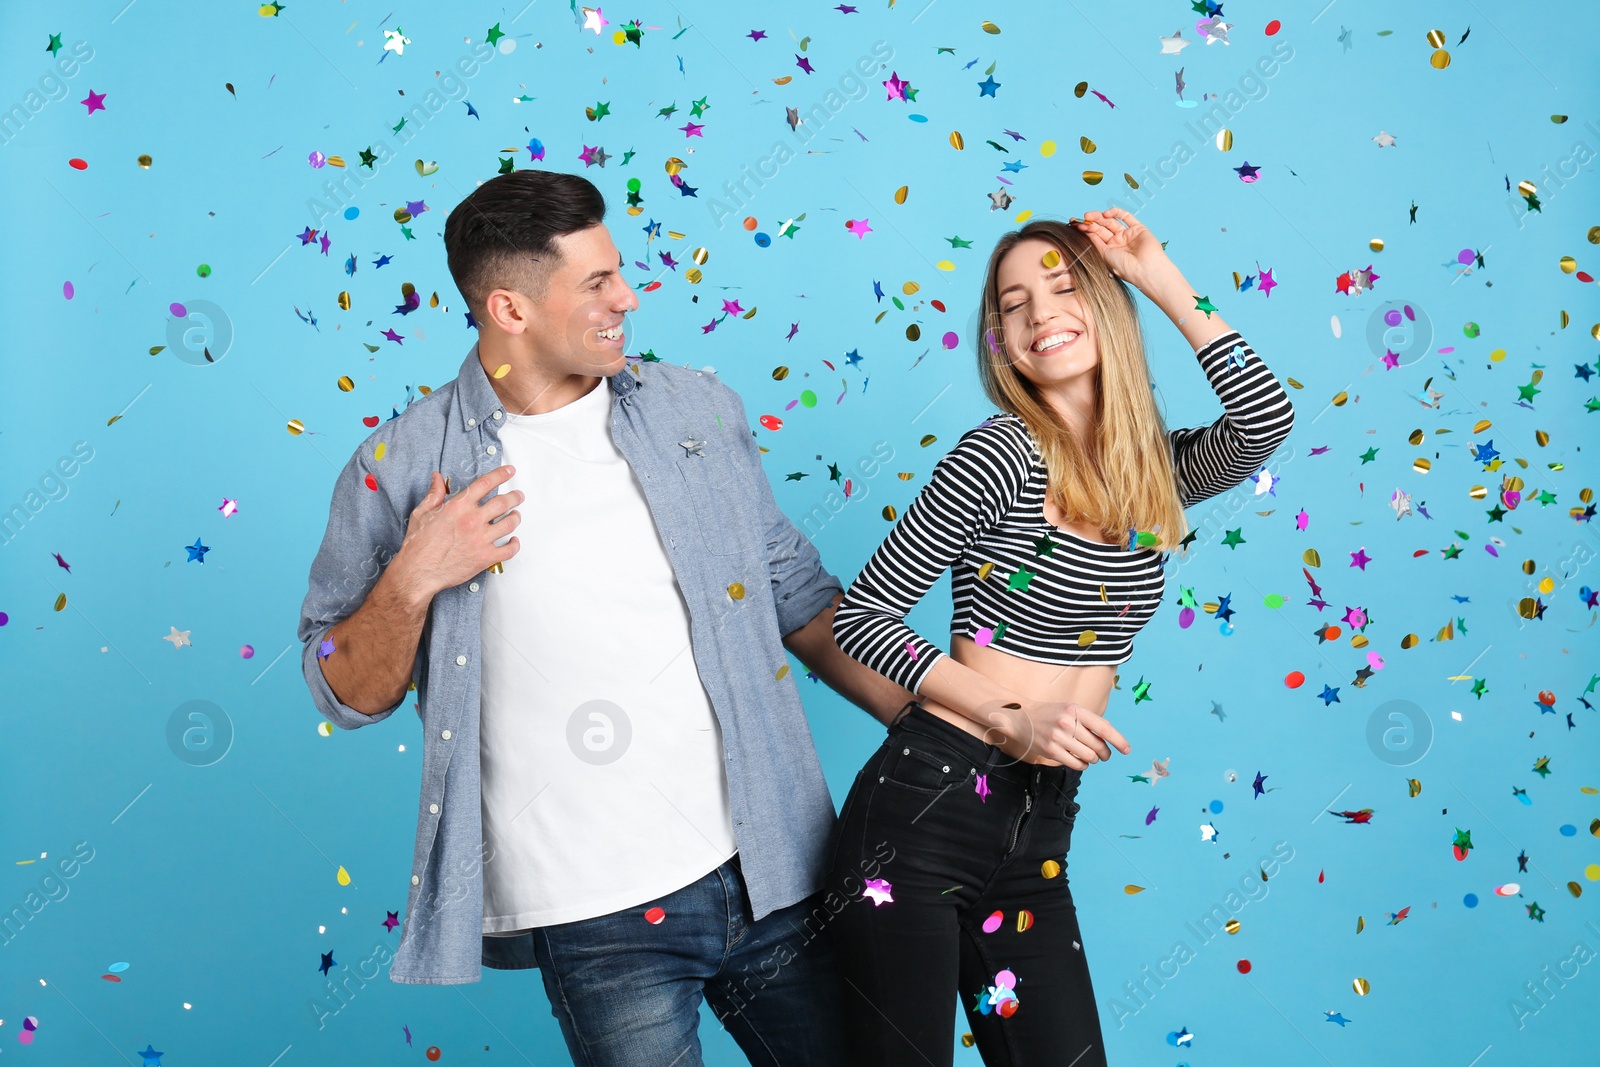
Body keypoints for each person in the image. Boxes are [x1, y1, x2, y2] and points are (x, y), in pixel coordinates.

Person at [297, 168, 917, 1065]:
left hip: (771, 864)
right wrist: (414, 576)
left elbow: (801, 599)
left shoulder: (693, 408)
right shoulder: (397, 465)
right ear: (509, 308)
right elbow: (340, 690)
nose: (626, 297)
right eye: (596, 282)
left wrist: (947, 723)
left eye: (616, 271)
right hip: (592, 917)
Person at [826, 208, 1295, 1065]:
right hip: (925, 814)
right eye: (1014, 304)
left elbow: (1264, 421)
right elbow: (862, 618)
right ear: (999, 339)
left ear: (1109, 306)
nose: (1041, 315)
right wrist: (1010, 718)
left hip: (1038, 834)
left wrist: (1155, 271)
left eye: (1065, 286)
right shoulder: (999, 455)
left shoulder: (1151, 469)